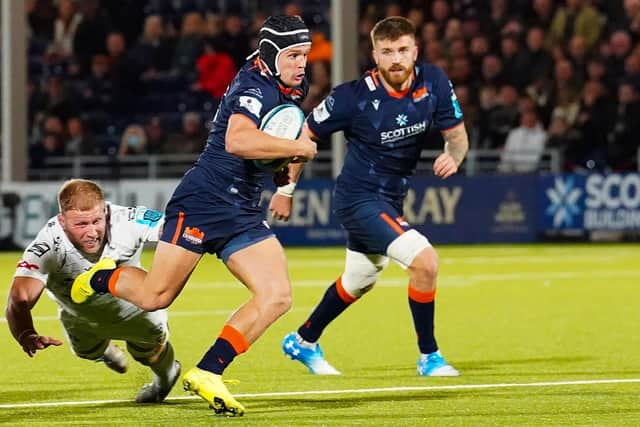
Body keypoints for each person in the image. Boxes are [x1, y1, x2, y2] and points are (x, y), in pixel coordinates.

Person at [69, 15, 317, 416]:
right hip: (203, 199)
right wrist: (299, 148)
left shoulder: (290, 82)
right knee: (155, 296)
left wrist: (285, 183)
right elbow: (238, 139)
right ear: (271, 55)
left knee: (277, 295)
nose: (301, 64)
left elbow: (287, 138)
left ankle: (209, 371)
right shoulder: (253, 85)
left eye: (304, 54)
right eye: (293, 55)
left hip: (242, 208)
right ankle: (101, 276)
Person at [273, 16, 469, 377]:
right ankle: (430, 356)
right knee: (425, 262)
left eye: (403, 50)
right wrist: (285, 189)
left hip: (392, 197)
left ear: (415, 51)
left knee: (359, 279)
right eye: (387, 51)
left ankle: (303, 340)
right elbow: (305, 135)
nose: (396, 59)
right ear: (375, 54)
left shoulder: (434, 82)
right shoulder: (351, 97)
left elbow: (456, 134)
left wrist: (453, 156)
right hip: (358, 198)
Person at [5, 179, 180, 403]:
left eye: (96, 221)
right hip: (80, 318)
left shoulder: (126, 220)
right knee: (87, 352)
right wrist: (25, 333)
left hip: (135, 311)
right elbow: (18, 299)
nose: (91, 232)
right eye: (81, 224)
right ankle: (106, 352)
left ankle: (163, 382)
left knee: (149, 355)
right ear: (62, 220)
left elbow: (174, 230)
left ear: (105, 211)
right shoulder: (47, 245)